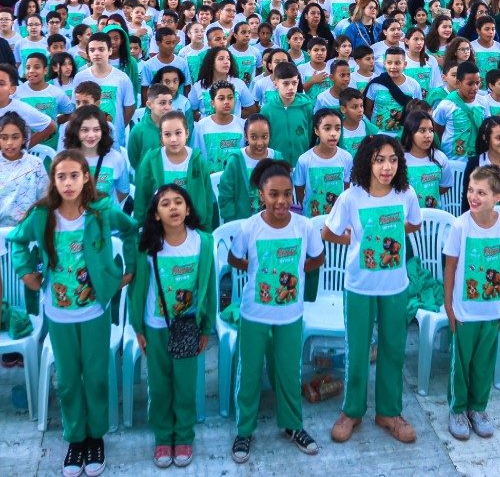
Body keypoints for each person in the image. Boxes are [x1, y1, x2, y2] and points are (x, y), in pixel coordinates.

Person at [8, 150, 137, 477]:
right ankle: (75, 438)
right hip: (59, 312)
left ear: (86, 178)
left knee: (95, 377)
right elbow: (17, 241)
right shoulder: (43, 215)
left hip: (95, 310)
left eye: (74, 176)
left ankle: (96, 437)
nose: (68, 183)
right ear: (53, 181)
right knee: (67, 381)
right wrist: (26, 272)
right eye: (61, 176)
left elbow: (131, 229)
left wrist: (128, 269)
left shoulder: (100, 211)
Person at [323, 134, 422, 444]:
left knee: (393, 349)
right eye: (379, 160)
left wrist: (390, 231)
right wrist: (351, 239)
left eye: (393, 160)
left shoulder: (406, 194)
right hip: (359, 286)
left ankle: (389, 412)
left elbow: (414, 223)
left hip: (395, 286)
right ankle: (352, 411)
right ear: (367, 162)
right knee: (357, 350)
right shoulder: (351, 197)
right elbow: (328, 232)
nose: (386, 167)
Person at [229, 158, 324, 464]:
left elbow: (317, 258)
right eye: (273, 194)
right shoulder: (249, 227)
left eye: (286, 194)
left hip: (290, 315)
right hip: (254, 314)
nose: (281, 201)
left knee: (288, 371)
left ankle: (293, 425)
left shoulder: (304, 226)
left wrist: (295, 270)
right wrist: (256, 269)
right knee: (249, 373)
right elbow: (234, 259)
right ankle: (244, 430)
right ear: (261, 195)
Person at [129, 184, 215, 468]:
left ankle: (184, 436)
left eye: (178, 202)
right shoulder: (147, 245)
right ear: (156, 214)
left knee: (185, 385)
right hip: (155, 326)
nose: (173, 207)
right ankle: (163, 436)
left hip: (188, 327)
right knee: (159, 384)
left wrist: (206, 328)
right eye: (165, 204)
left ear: (188, 209)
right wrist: (138, 328)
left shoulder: (202, 242)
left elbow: (209, 288)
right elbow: (137, 290)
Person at [444, 165, 500, 440]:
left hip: (492, 310)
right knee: (461, 365)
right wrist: (449, 306)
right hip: (464, 312)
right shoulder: (460, 225)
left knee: (484, 363)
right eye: (470, 190)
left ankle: (478, 408)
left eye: (481, 192)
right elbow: (450, 267)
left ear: (498, 196)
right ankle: (457, 409)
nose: (473, 197)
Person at [135, 111, 213, 230]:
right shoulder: (151, 160)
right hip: (159, 228)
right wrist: (140, 229)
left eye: (178, 133)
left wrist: (205, 231)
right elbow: (141, 197)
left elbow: (207, 200)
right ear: (161, 137)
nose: (173, 139)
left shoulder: (198, 161)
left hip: (192, 227)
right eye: (167, 134)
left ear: (187, 133)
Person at [218, 114, 282, 223]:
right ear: (246, 136)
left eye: (264, 137)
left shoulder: (277, 158)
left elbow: (283, 192)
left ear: (270, 136)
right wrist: (232, 224)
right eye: (254, 137)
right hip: (241, 223)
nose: (259, 143)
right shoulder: (235, 161)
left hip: (272, 222)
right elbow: (225, 195)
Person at [63, 105, 129, 205]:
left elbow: (123, 191)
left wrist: (104, 209)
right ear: (76, 131)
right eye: (85, 130)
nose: (91, 135)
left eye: (96, 129)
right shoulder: (66, 160)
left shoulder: (116, 158)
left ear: (103, 130)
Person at [293, 109, 352, 217]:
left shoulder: (346, 158)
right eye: (327, 128)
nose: (333, 133)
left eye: (337, 128)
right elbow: (299, 190)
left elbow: (346, 188)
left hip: (338, 218)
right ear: (316, 131)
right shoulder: (304, 160)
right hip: (311, 219)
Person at [0, 111, 49, 226]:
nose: (9, 143)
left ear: (24, 139)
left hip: (28, 228)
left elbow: (45, 198)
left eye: (15, 137)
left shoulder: (35, 164)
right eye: (4, 138)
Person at [261, 62, 313, 166]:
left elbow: (310, 133)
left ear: (298, 82)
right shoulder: (267, 110)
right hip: (276, 164)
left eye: (294, 83)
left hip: (301, 163)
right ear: (276, 84)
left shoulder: (306, 106)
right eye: (285, 83)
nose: (291, 88)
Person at [433, 61, 487, 161]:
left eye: (477, 83)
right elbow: (437, 131)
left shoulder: (483, 102)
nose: (475, 88)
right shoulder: (446, 105)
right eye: (470, 84)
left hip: (478, 160)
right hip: (453, 161)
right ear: (458, 83)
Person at [401, 110, 452, 209]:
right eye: (422, 130)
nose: (428, 135)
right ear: (410, 132)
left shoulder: (440, 158)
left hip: (434, 216)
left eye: (431, 130)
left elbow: (444, 186)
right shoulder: (400, 160)